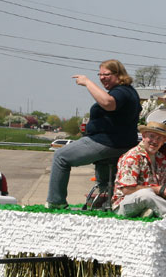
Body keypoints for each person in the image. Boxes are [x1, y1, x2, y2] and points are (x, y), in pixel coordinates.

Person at [46, 59, 141, 209]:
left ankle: (55, 202)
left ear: (119, 74)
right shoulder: (128, 91)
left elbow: (108, 103)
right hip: (119, 144)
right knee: (104, 175)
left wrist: (87, 82)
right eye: (100, 74)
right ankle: (106, 203)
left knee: (61, 157)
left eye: (106, 74)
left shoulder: (122, 91)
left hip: (106, 142)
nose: (102, 78)